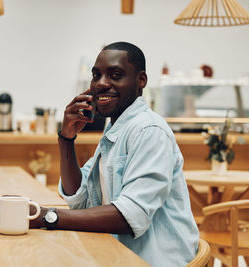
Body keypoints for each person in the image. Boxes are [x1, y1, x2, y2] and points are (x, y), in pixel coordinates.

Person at [30, 42, 199, 266]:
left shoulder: (148, 131)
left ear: (141, 81)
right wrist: (67, 138)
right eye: (96, 75)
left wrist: (46, 216)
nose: (101, 84)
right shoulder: (116, 129)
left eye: (115, 75)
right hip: (119, 256)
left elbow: (130, 216)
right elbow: (80, 201)